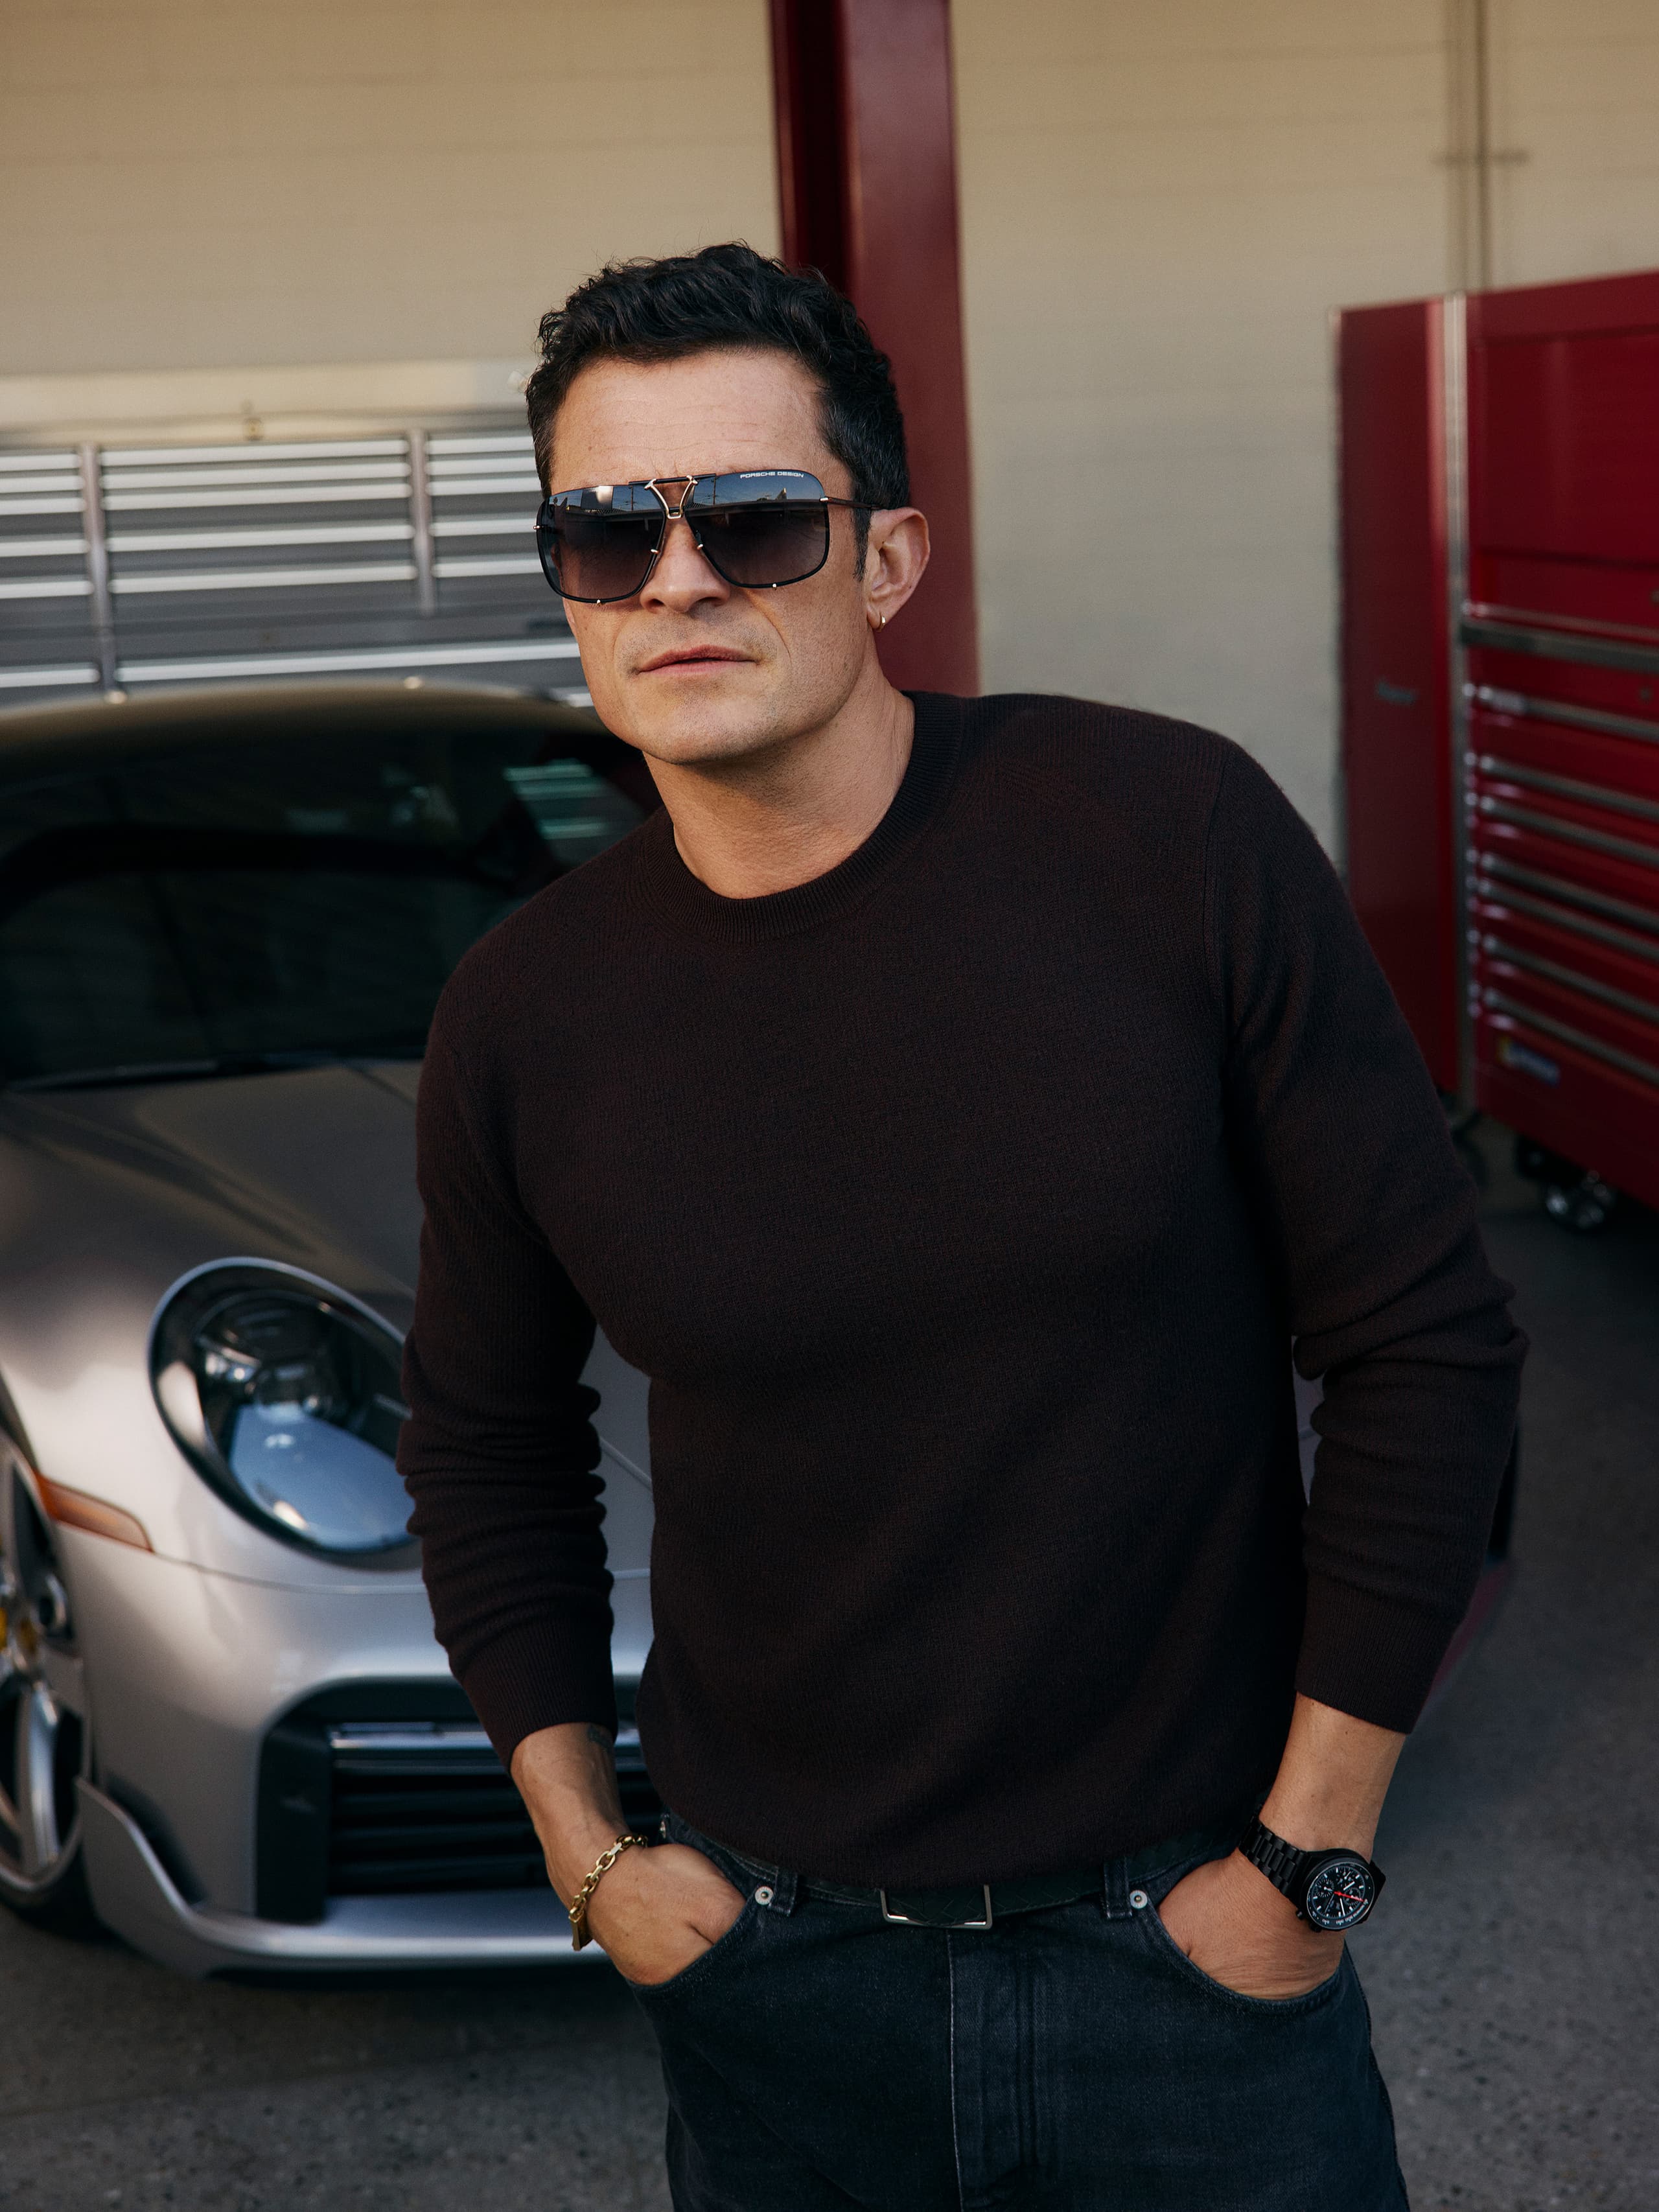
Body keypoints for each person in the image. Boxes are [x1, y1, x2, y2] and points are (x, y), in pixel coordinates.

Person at [398, 242, 1524, 2211]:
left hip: (1193, 1959)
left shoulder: (1165, 836)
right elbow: (488, 1444)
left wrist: (1304, 1866)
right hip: (776, 1983)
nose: (678, 582)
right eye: (608, 534)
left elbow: (1424, 1344)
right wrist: (595, 1857)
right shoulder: (524, 1007)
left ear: (890, 561)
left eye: (752, 520)